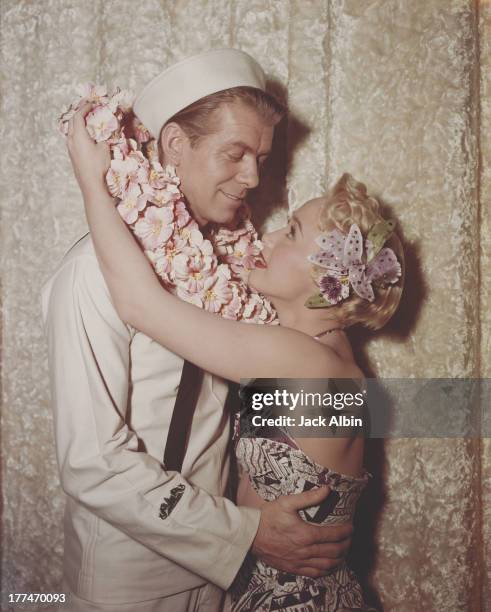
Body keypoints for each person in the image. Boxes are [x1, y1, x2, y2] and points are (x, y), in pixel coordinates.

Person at [66, 77, 405, 609]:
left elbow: (141, 305)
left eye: (290, 233)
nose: (265, 233)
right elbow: (92, 458)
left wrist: (93, 181)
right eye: (236, 153)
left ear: (326, 283)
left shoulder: (301, 358)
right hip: (164, 574)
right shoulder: (312, 346)